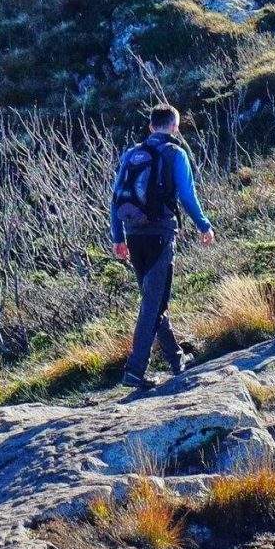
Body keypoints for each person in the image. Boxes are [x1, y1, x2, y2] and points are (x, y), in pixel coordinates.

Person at [110, 103, 215, 392]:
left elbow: (116, 197)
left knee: (154, 299)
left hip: (132, 233)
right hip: (160, 233)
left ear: (150, 127)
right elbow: (187, 196)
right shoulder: (175, 154)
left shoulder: (131, 154)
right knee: (152, 303)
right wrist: (204, 226)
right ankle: (135, 370)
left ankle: (177, 360)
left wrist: (117, 237)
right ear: (175, 127)